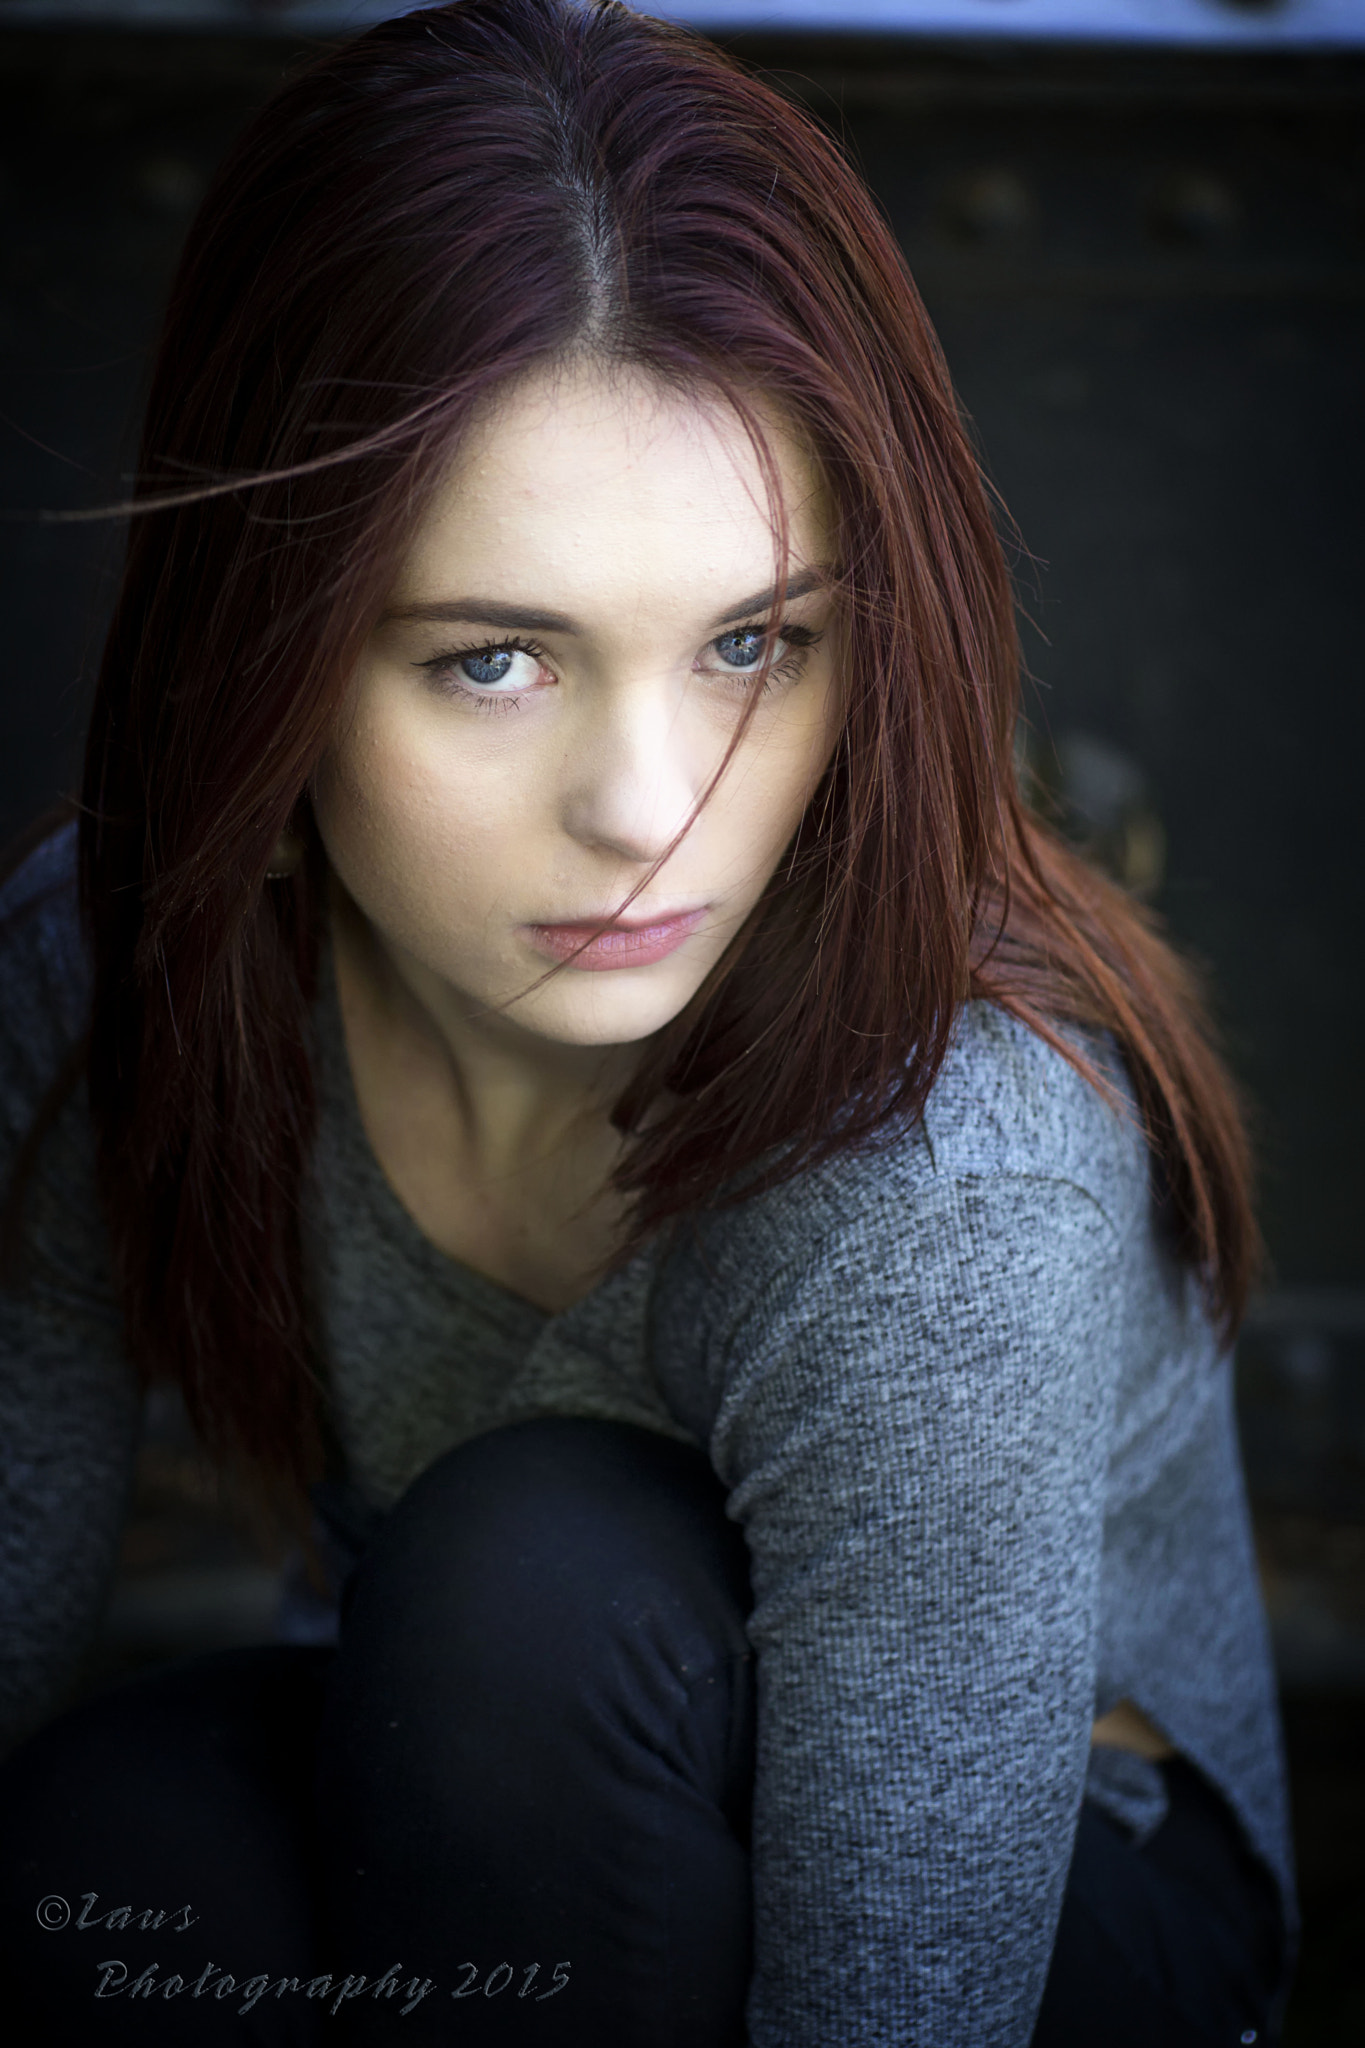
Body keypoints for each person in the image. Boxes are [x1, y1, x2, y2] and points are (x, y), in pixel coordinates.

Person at [0, 2, 1294, 2043]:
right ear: (262, 650)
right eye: (497, 659)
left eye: (752, 644)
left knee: (526, 1587)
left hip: (1058, 1897)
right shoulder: (110, 976)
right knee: (98, 1856)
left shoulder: (941, 1169)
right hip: (483, 1789)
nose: (646, 804)